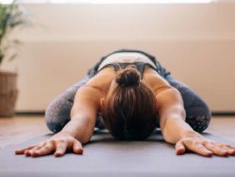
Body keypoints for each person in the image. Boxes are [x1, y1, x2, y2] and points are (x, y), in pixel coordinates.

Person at [15, 49, 235, 157]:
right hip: (102, 67)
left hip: (154, 67)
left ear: (157, 106)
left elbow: (172, 119)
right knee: (57, 120)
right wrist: (67, 134)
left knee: (199, 117)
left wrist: (186, 134)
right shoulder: (93, 89)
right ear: (101, 104)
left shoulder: (162, 90)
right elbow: (82, 118)